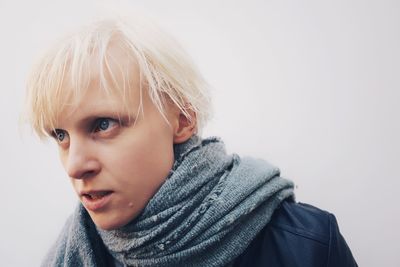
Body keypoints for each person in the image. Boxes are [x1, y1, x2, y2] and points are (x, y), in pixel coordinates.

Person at [25, 17, 357, 267]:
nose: (75, 165)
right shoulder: (76, 252)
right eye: (61, 136)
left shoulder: (306, 246)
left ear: (183, 119)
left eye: (103, 124)